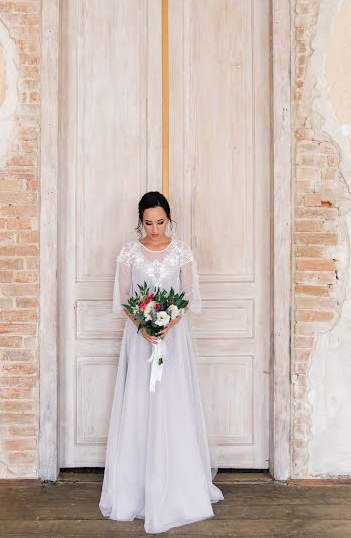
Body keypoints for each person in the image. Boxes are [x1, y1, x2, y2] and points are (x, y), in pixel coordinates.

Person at [99, 191, 224, 534]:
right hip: (140, 339)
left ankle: (177, 485)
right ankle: (135, 488)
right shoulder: (128, 251)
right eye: (148, 223)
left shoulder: (182, 250)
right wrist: (142, 326)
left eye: (160, 222)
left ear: (169, 219)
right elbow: (124, 297)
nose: (154, 229)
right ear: (140, 220)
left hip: (172, 338)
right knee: (139, 403)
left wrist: (168, 324)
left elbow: (187, 295)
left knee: (172, 402)